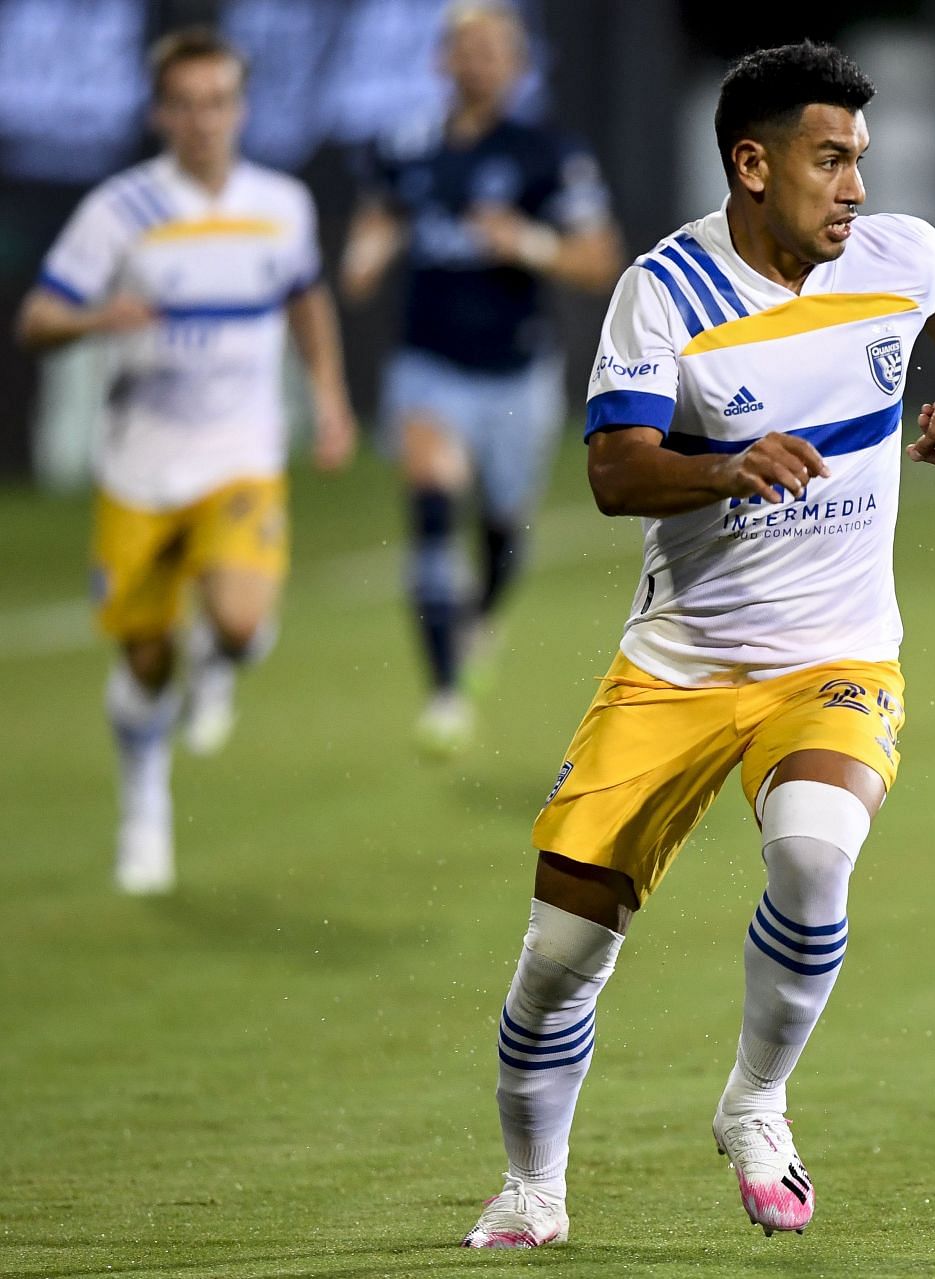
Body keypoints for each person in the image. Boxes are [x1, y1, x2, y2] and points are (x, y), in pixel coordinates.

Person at [459, 41, 935, 1249]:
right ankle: (534, 1188)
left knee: (814, 857)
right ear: (752, 165)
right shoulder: (666, 291)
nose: (855, 187)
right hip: (682, 665)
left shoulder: (894, 252)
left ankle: (756, 1102)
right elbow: (610, 472)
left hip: (838, 656)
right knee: (559, 953)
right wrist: (724, 466)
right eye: (829, 159)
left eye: (860, 158)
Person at [14, 27, 356, 895]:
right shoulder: (119, 212)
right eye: (186, 104)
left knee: (241, 621)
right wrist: (99, 320)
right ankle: (144, 803)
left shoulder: (280, 204)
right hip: (139, 468)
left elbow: (305, 301)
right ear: (162, 112)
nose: (204, 120)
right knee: (143, 659)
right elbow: (36, 322)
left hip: (240, 455)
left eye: (219, 102)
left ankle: (219, 667)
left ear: (239, 108)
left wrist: (329, 398)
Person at [340, 2, 623, 755]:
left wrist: (526, 241)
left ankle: (482, 618)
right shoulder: (405, 147)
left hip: (515, 370)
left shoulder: (546, 154)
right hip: (428, 363)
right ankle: (442, 695)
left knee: (504, 525)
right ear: (443, 61)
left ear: (519, 67)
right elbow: (379, 218)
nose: (480, 63)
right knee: (431, 497)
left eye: (497, 51)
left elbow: (599, 259)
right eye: (467, 50)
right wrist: (366, 251)